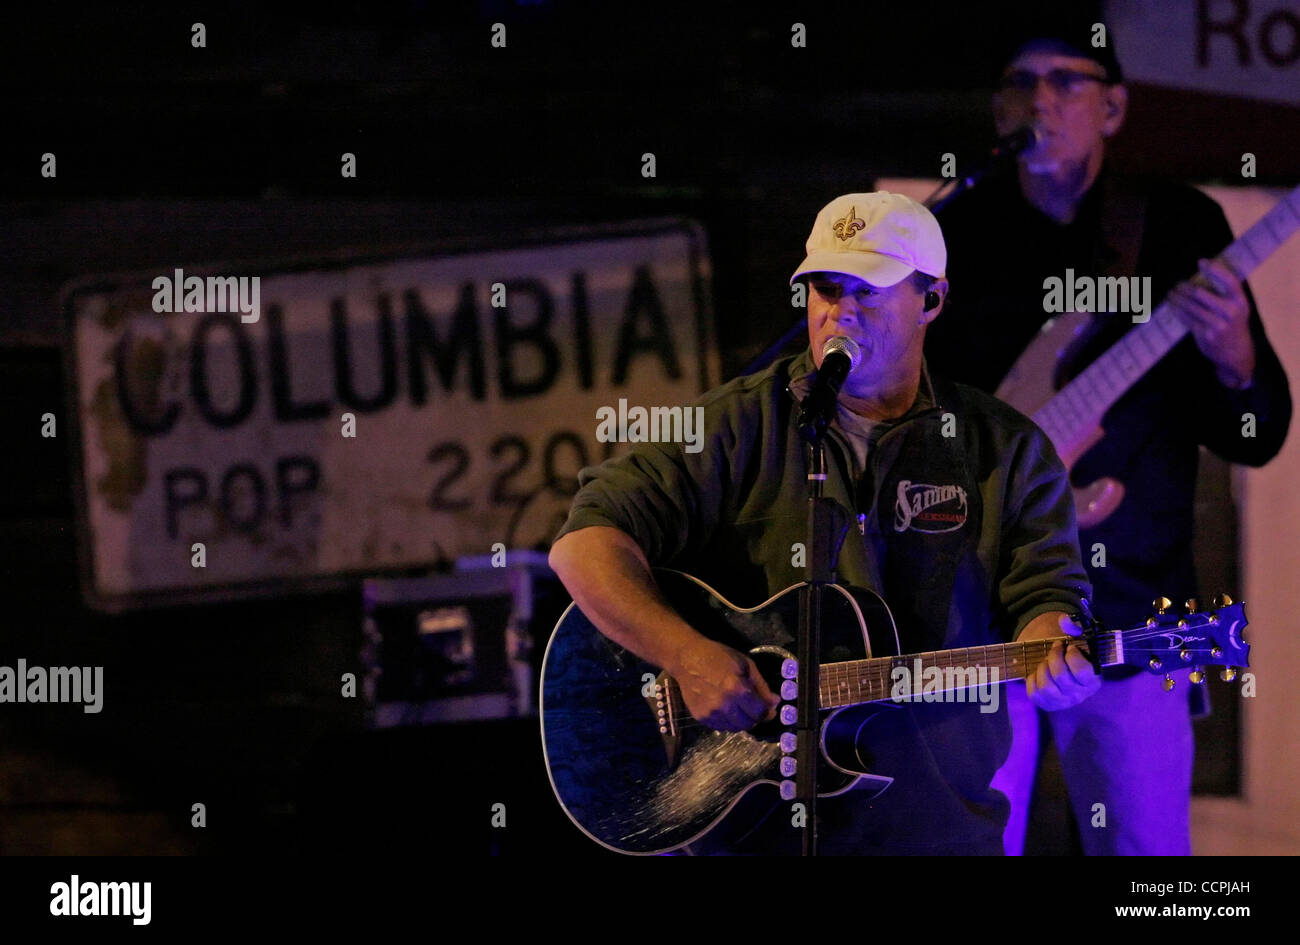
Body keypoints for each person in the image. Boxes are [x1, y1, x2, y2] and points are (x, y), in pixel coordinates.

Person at [548, 191, 1101, 855]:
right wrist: (684, 654)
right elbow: (584, 545)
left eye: (866, 291)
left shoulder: (1005, 450)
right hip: (754, 835)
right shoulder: (737, 424)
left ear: (932, 300)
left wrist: (1056, 646)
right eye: (825, 289)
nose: (839, 312)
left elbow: (1047, 598)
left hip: (935, 829)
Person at [924, 23, 1292, 856]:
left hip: (1132, 612)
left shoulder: (1175, 225)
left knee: (1146, 857)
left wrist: (1234, 352)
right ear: (998, 105)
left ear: (1115, 105)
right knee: (973, 842)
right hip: (975, 611)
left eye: (1067, 80)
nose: (1041, 99)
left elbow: (1257, 433)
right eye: (1023, 80)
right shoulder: (957, 236)